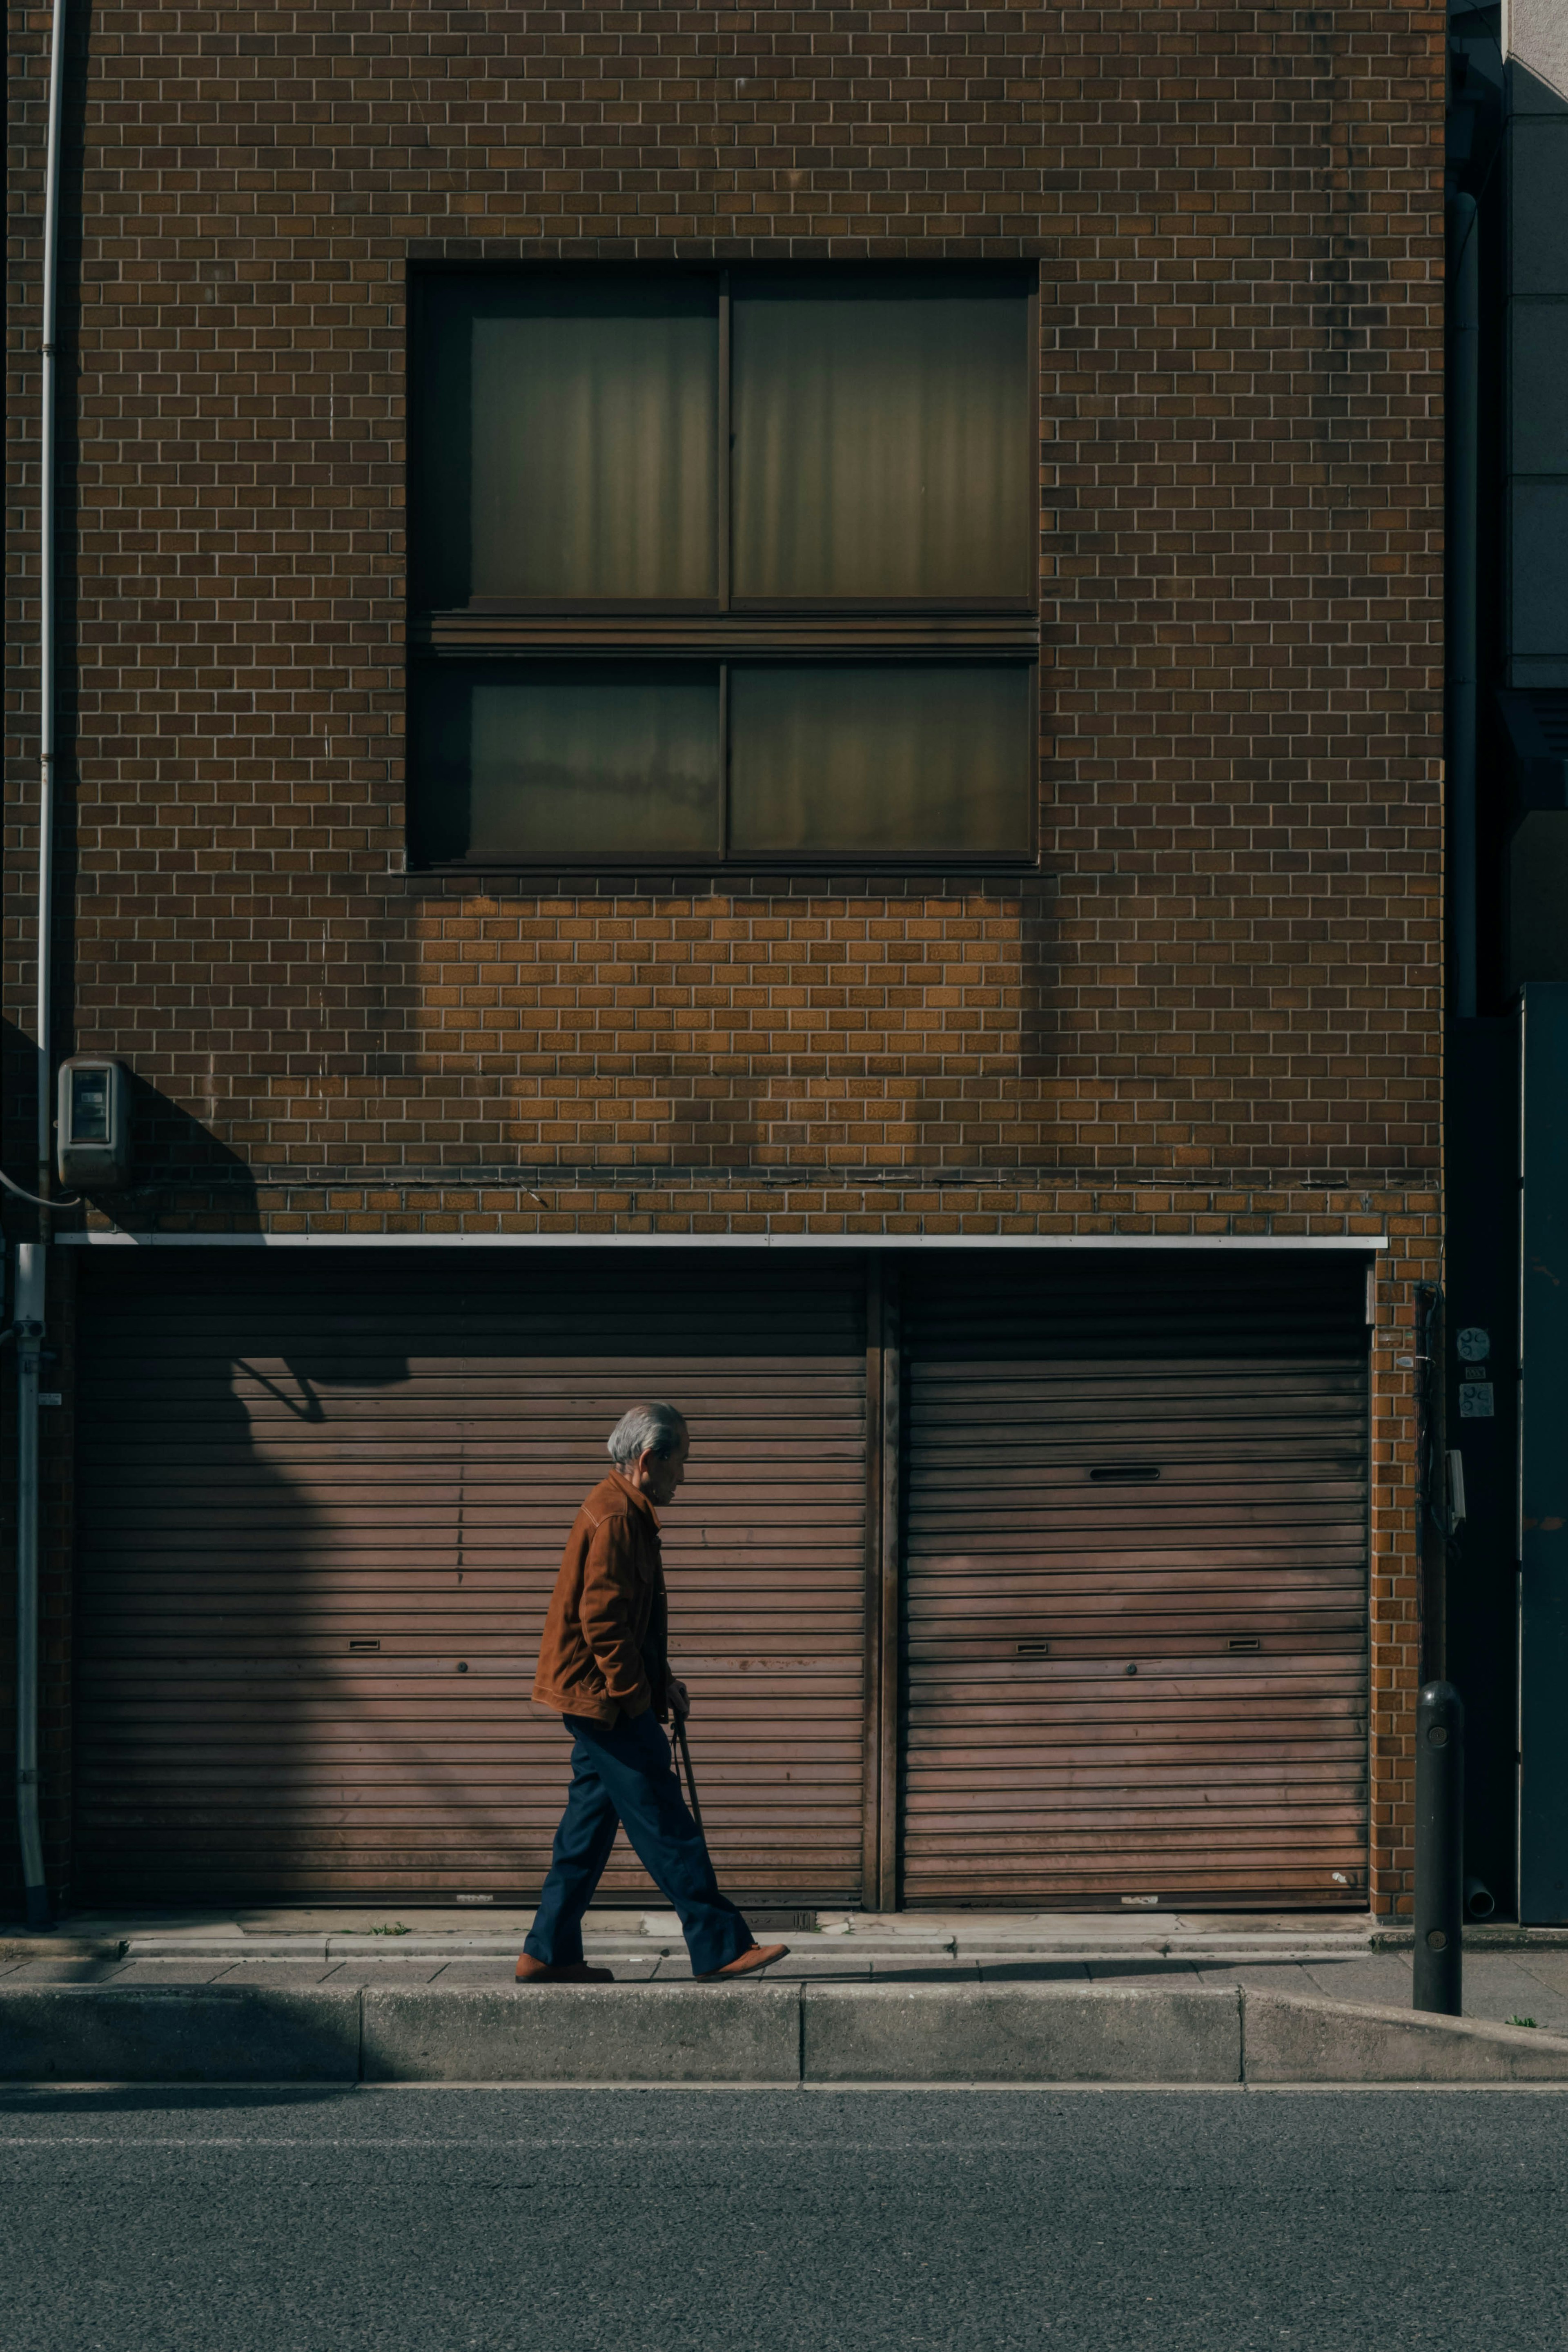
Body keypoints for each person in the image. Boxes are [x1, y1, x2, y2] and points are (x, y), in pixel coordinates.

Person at [516, 1401, 789, 1985]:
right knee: (666, 1820)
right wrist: (638, 1701)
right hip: (606, 1701)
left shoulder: (625, 1512)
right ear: (648, 1460)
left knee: (586, 1832)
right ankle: (719, 1946)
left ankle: (548, 1950)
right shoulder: (615, 1518)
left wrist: (663, 1683)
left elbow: (632, 1621)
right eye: (679, 1461)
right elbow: (604, 1624)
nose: (683, 1475)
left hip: (601, 1697)